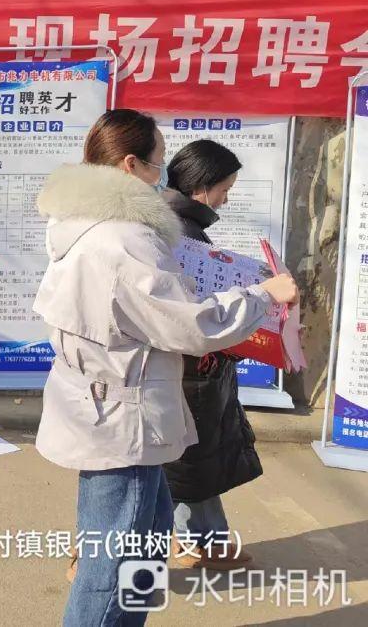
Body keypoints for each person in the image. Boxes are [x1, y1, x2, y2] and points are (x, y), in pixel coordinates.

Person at [32, 109, 298, 626]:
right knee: (113, 563)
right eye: (158, 162)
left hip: (109, 404)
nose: (163, 176)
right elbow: (190, 325)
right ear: (130, 165)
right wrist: (263, 295)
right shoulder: (123, 240)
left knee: (149, 541)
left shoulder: (80, 222)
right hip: (123, 417)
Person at [161, 140, 260, 569]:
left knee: (191, 456)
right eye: (224, 189)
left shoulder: (178, 225)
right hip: (188, 367)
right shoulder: (181, 234)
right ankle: (193, 541)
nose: (226, 199)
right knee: (182, 459)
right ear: (201, 187)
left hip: (193, 367)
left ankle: (203, 539)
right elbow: (196, 313)